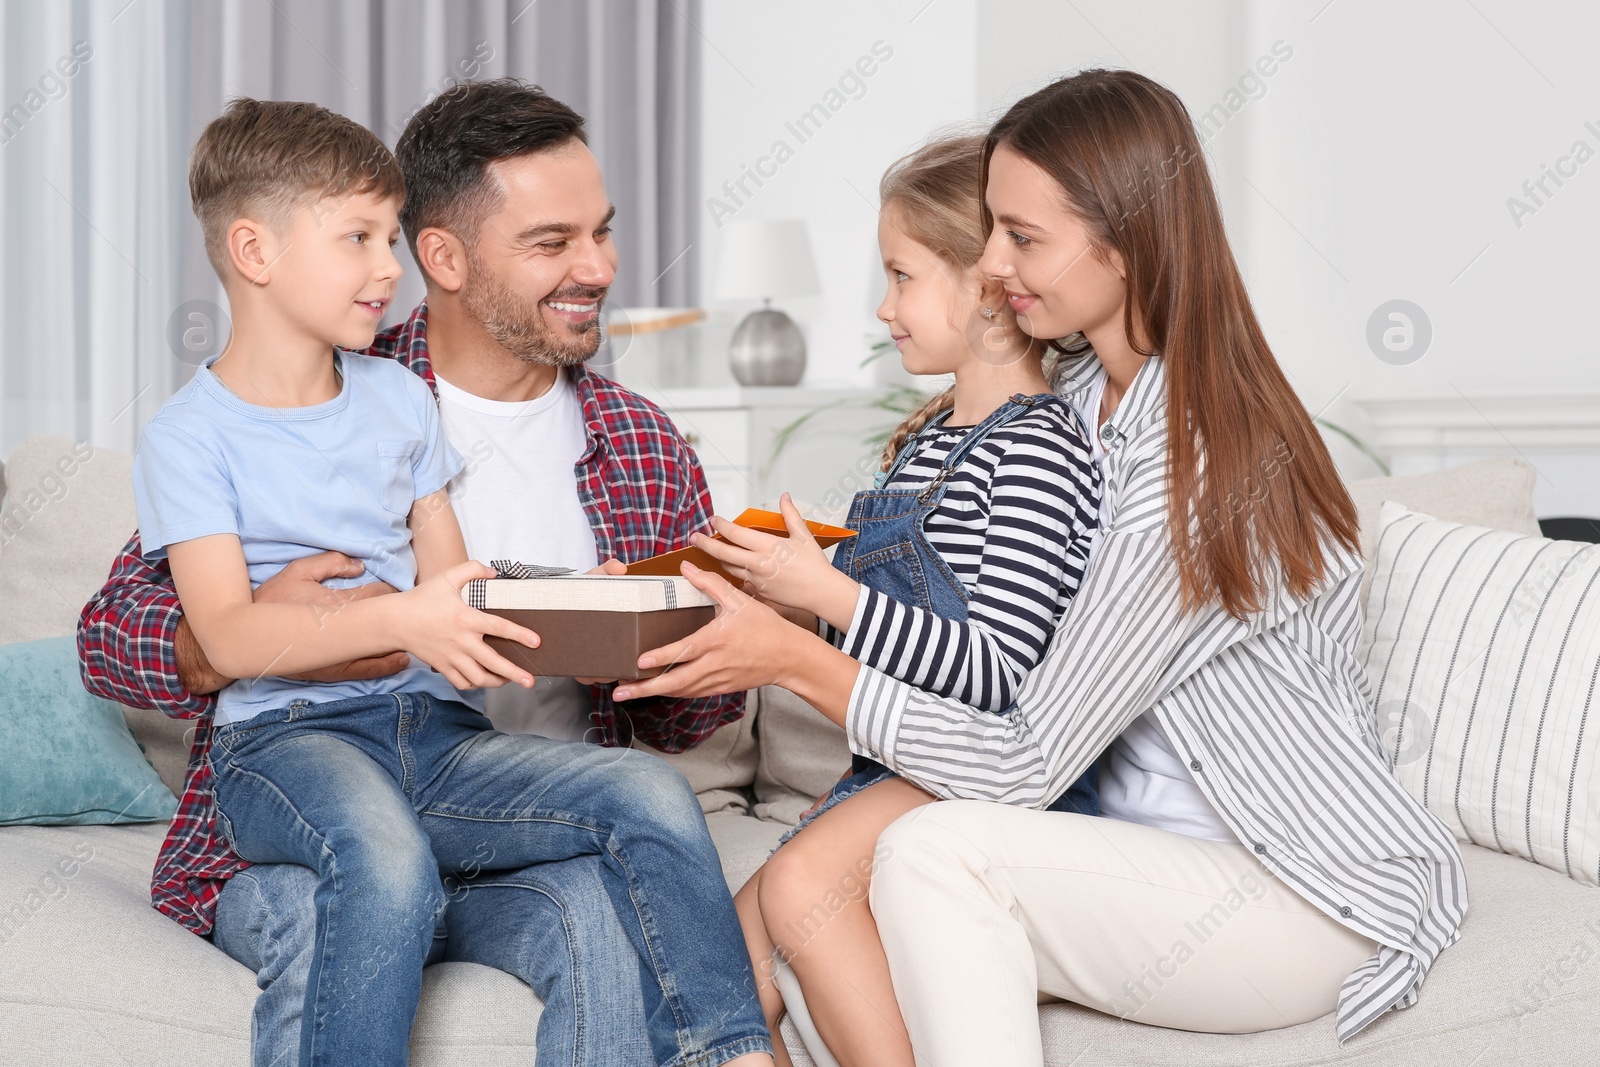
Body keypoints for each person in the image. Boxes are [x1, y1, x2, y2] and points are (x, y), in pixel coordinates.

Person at [610, 68, 1468, 1067]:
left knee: (931, 852)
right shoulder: (1086, 406)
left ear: (1122, 238)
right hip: (1141, 852)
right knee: (783, 916)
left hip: (1295, 881)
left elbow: (1022, 758)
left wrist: (789, 658)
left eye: (1022, 238)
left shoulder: (1191, 468)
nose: (994, 265)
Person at [80, 83, 771, 1067]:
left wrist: (657, 631)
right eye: (552, 241)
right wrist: (257, 637)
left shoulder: (642, 445)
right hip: (310, 775)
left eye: (603, 233)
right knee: (366, 877)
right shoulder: (325, 379)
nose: (601, 267)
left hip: (482, 788)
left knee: (615, 878)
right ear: (445, 257)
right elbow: (109, 634)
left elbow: (680, 714)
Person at [689, 134, 1100, 1067]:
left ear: (989, 288)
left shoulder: (1034, 450)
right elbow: (892, 630)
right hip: (886, 773)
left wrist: (829, 594)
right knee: (717, 964)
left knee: (796, 889)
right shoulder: (922, 445)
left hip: (974, 774)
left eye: (901, 276)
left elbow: (995, 670)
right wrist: (787, 590)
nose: (883, 308)